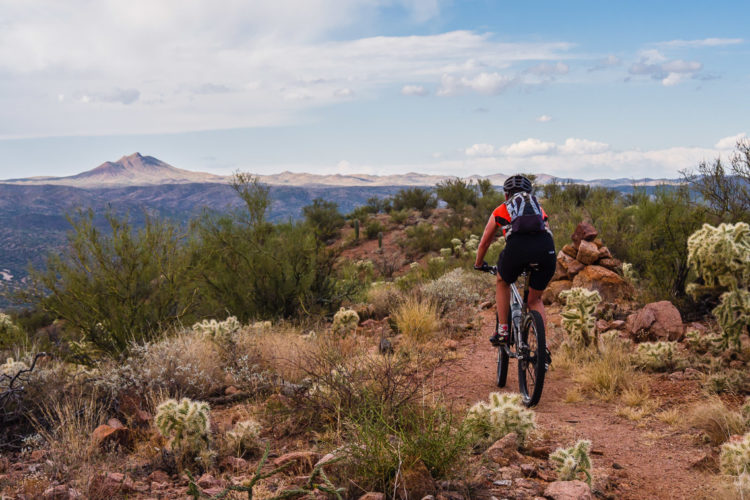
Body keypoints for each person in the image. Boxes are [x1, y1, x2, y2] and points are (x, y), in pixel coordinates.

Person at [474, 174, 556, 345]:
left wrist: (479, 264)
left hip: (517, 249)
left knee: (502, 280)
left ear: (506, 194)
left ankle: (503, 331)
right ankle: (543, 349)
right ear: (529, 193)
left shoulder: (501, 209)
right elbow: (547, 232)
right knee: (535, 300)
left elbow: (485, 242)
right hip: (546, 250)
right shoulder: (538, 209)